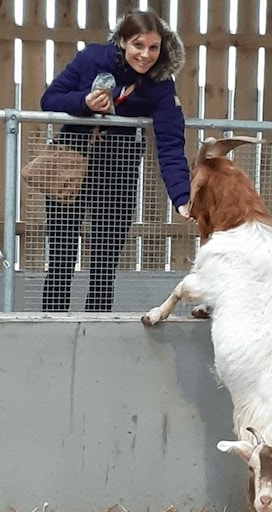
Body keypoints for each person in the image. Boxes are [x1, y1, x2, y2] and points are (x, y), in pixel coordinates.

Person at [40, 8, 191, 312]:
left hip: (119, 169)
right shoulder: (93, 58)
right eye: (138, 45)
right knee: (61, 256)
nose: (145, 55)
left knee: (105, 262)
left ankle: (97, 329)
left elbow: (171, 143)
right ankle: (52, 326)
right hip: (73, 159)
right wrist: (83, 102)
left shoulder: (161, 83)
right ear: (122, 41)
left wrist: (182, 197)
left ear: (162, 48)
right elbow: (50, 99)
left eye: (153, 47)